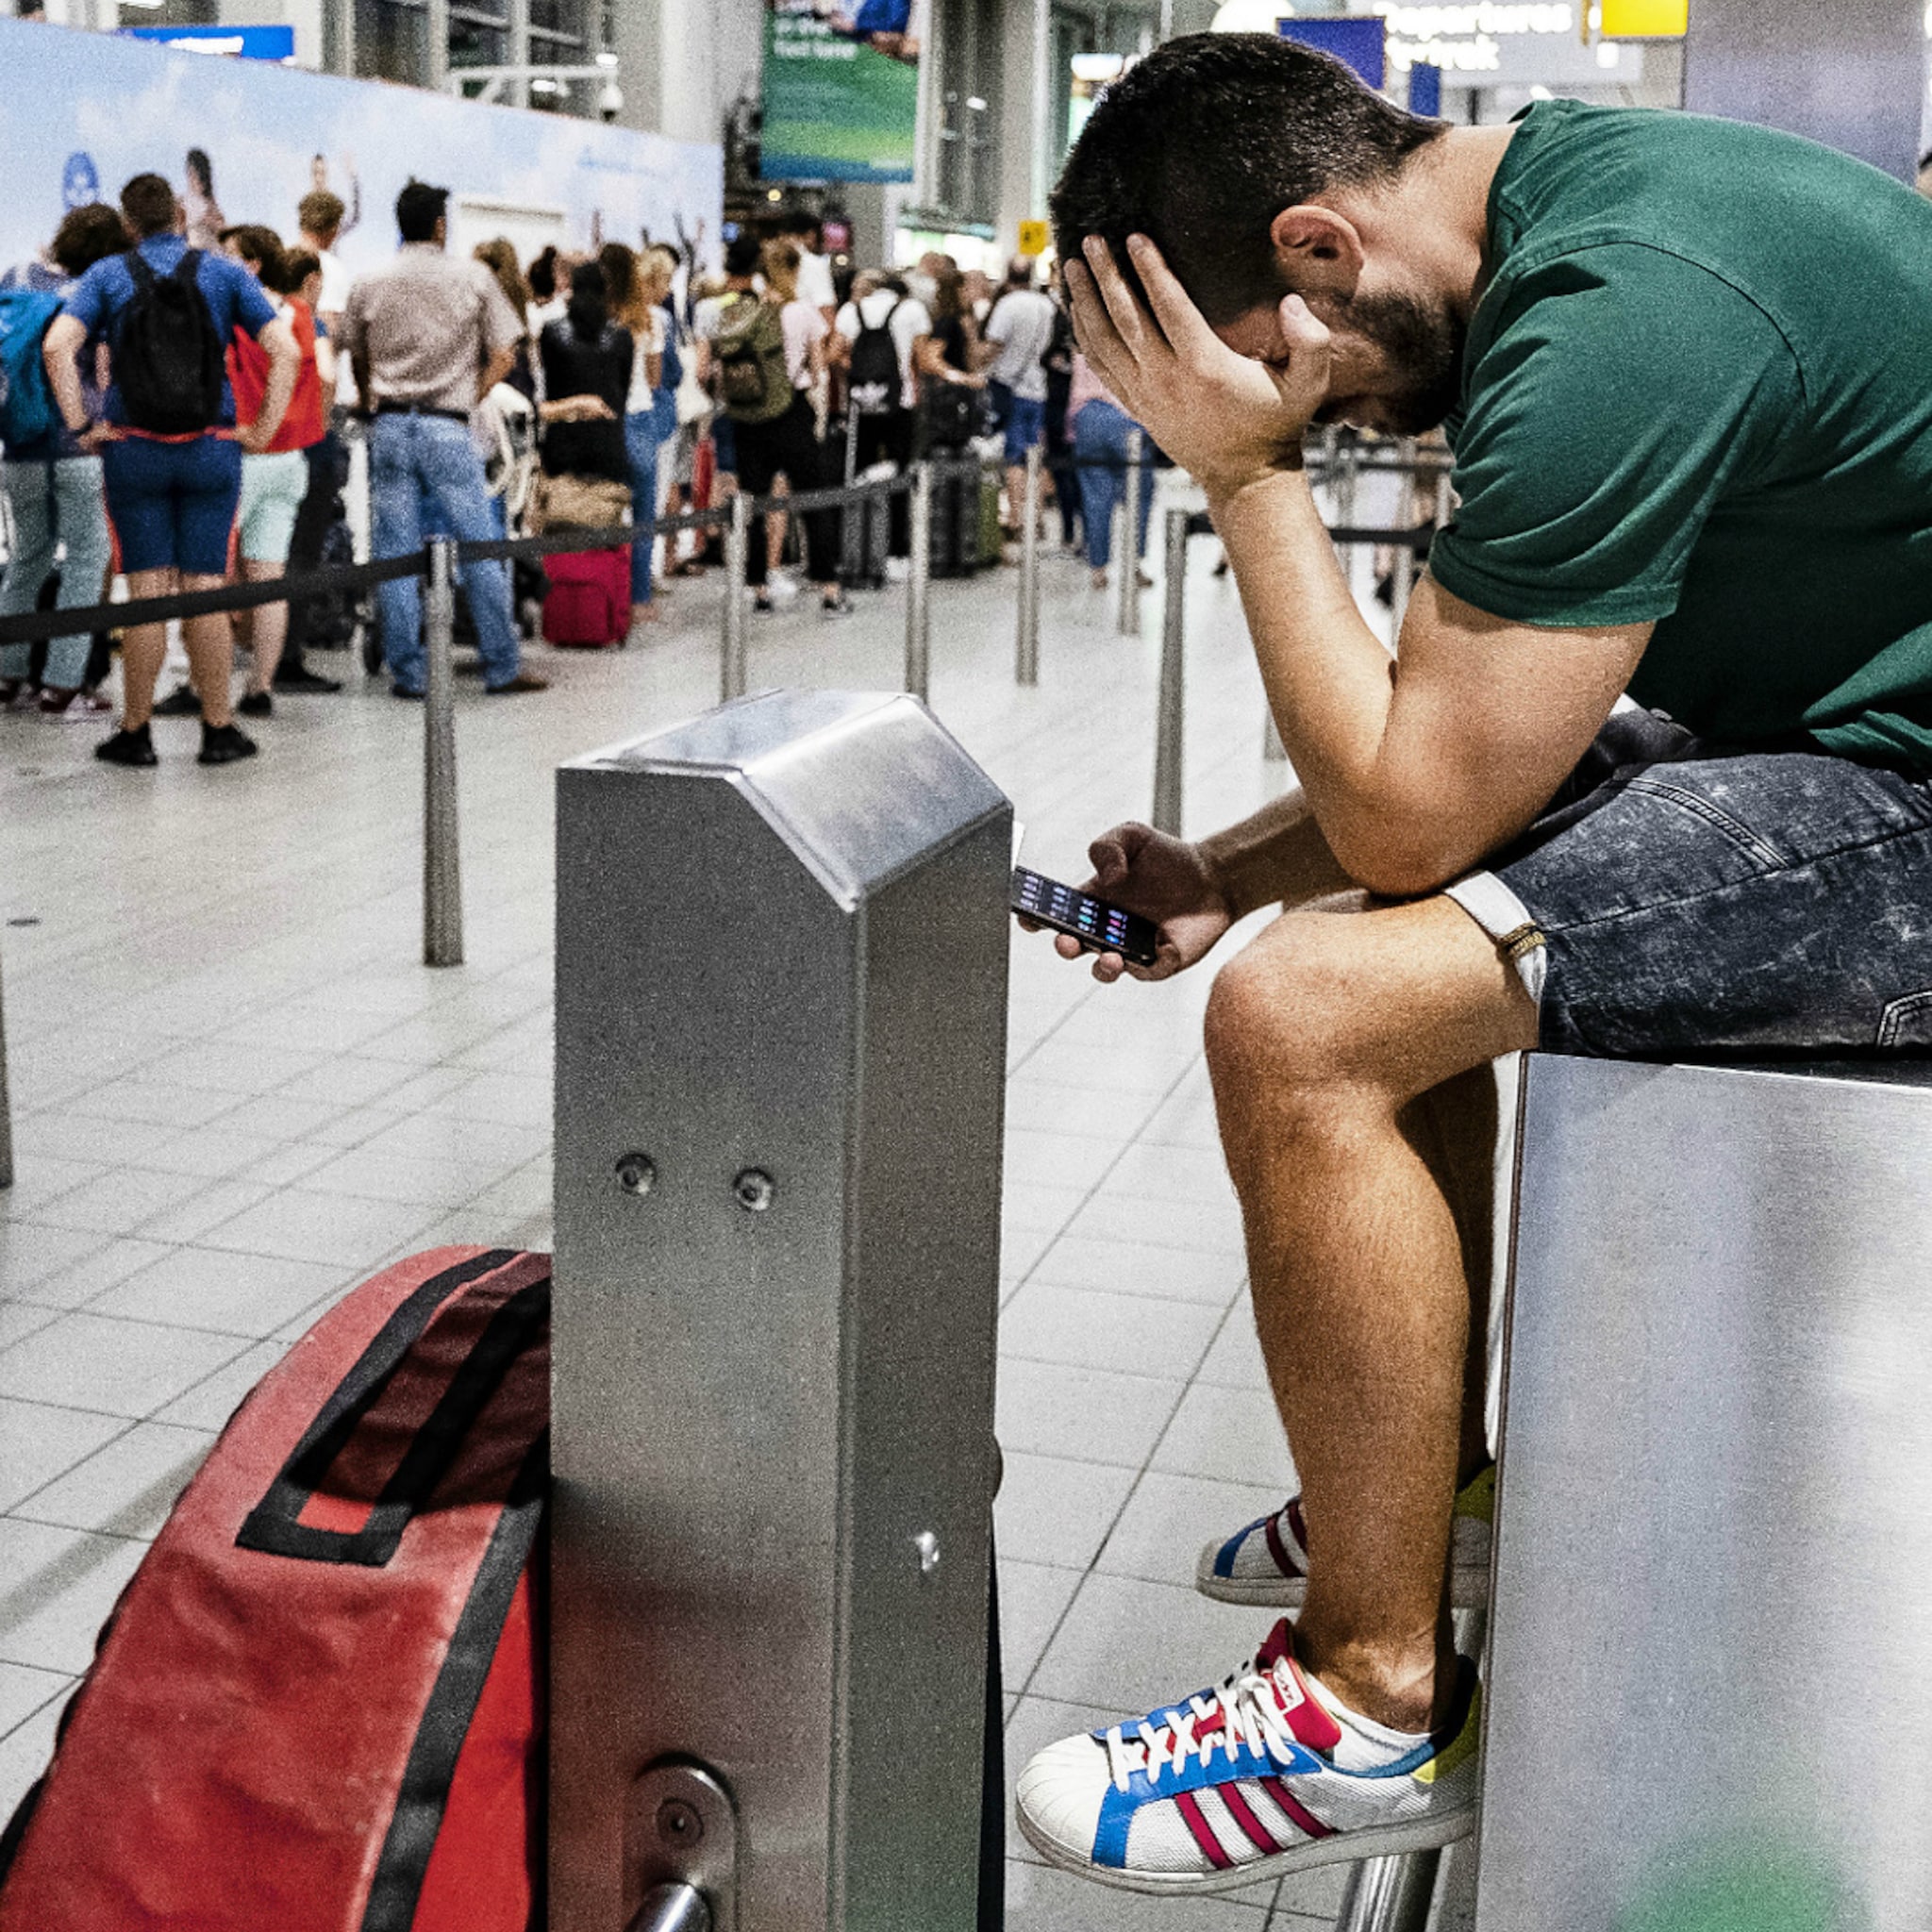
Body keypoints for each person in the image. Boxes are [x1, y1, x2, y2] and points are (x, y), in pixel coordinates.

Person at [1014, 33, 1932, 1892]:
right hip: (1830, 734)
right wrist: (1222, 862)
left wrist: (1250, 483)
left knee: (1307, 1011)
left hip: (1904, 803)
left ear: (1319, 252)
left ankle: (1365, 1709)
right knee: (1326, 930)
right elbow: (1481, 721)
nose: (1327, 423)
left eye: (1271, 376)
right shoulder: (1566, 208)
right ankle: (1432, 1497)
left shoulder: (1622, 315)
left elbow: (1414, 818)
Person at [43, 171, 300, 767]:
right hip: (211, 447)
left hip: (133, 451)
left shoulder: (107, 276)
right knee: (205, 590)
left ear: (129, 223)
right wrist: (261, 430)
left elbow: (59, 346)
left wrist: (83, 427)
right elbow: (284, 349)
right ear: (181, 215)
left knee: (147, 593)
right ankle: (218, 729)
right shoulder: (225, 272)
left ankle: (137, 732)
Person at [339, 180, 546, 698]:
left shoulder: (370, 281)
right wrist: (467, 397)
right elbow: (505, 353)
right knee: (480, 547)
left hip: (387, 424)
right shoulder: (472, 278)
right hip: (447, 426)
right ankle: (501, 665)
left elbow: (354, 351)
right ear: (439, 224)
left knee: (396, 552)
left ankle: (408, 672)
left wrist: (369, 395)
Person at [0, 202, 127, 720]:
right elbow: (102, 369)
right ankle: (62, 684)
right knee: (85, 560)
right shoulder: (95, 291)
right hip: (79, 445)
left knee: (26, 560)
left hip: (20, 443)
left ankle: (7, 675)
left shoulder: (16, 275)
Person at [222, 225, 326, 717]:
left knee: (213, 581)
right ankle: (259, 687)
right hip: (290, 459)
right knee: (270, 579)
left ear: (253, 262)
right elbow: (323, 376)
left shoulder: (234, 315)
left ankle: (207, 690)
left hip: (242, 456)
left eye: (229, 255)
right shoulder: (301, 313)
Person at [829, 267, 930, 562]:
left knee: (860, 471)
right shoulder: (911, 309)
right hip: (901, 403)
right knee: (899, 472)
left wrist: (858, 374)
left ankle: (858, 546)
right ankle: (897, 551)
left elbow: (834, 355)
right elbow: (921, 359)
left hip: (860, 405)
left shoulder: (851, 311)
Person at [602, 242, 672, 625]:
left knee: (604, 509)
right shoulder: (648, 320)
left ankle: (603, 591)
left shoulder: (595, 318)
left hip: (604, 419)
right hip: (640, 417)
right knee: (644, 513)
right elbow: (655, 378)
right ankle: (639, 598)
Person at [979, 256, 1056, 539]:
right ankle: (1036, 517)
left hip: (1009, 387)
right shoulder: (1045, 305)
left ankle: (1016, 518)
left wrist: (976, 362)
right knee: (1034, 455)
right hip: (1037, 386)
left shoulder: (1008, 304)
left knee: (1014, 458)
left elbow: (994, 344)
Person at [1066, 348, 1156, 591]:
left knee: (1095, 498)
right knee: (1139, 497)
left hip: (1087, 417)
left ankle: (1098, 570)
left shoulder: (1083, 335)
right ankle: (1134, 566)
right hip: (1127, 416)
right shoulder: (1133, 335)